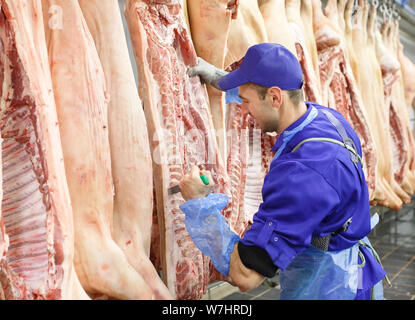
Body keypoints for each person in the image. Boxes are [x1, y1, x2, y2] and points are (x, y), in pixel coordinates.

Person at [179, 43, 388, 300]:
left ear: (275, 97)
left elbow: (245, 276)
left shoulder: (304, 173)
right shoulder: (327, 119)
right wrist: (225, 83)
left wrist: (200, 205)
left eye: (245, 101)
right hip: (350, 268)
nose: (243, 110)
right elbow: (275, 99)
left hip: (330, 287)